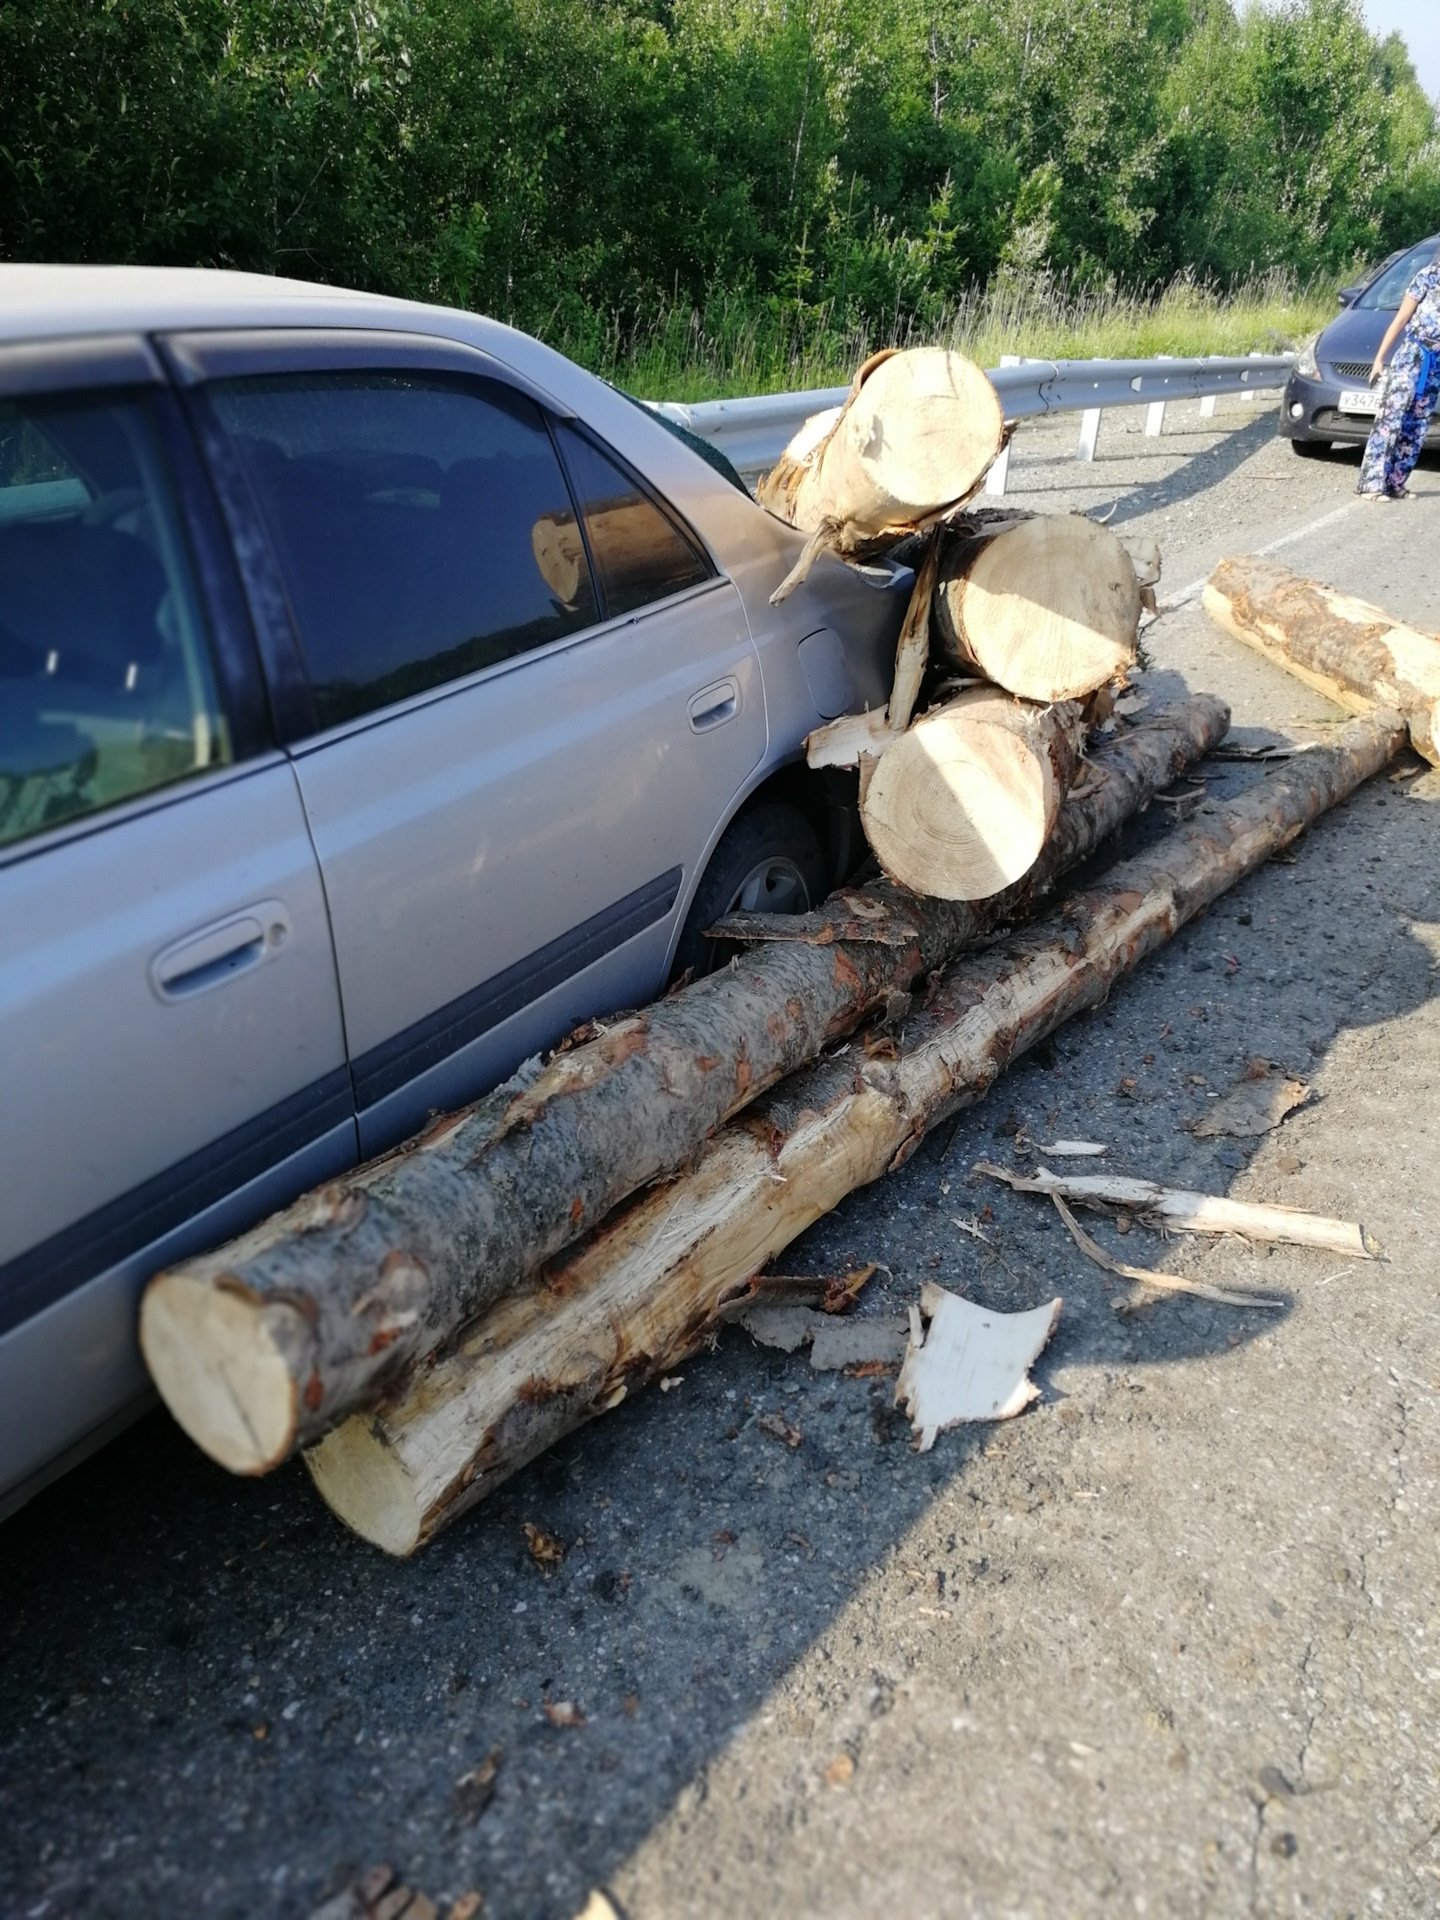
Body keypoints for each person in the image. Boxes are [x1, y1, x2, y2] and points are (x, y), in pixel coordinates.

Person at [1358, 253, 1440, 499]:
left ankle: (1395, 482)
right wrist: (1379, 359)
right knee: (1390, 418)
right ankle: (1371, 484)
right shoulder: (1428, 276)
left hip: (1435, 363)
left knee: (1417, 424)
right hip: (1413, 354)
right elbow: (1402, 318)